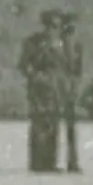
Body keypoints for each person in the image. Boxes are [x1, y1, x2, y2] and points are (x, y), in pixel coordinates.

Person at [17, 11, 67, 173]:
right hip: (39, 89)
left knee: (53, 124)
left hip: (55, 89)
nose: (53, 30)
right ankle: (37, 162)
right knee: (39, 125)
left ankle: (50, 162)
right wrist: (35, 77)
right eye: (51, 26)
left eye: (57, 27)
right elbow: (24, 65)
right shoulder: (34, 43)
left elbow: (64, 66)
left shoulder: (61, 44)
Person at [54, 12, 84, 173]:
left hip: (70, 89)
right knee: (54, 126)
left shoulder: (77, 46)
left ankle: (72, 161)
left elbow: (78, 69)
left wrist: (75, 86)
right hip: (57, 87)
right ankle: (52, 160)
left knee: (71, 128)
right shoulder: (56, 45)